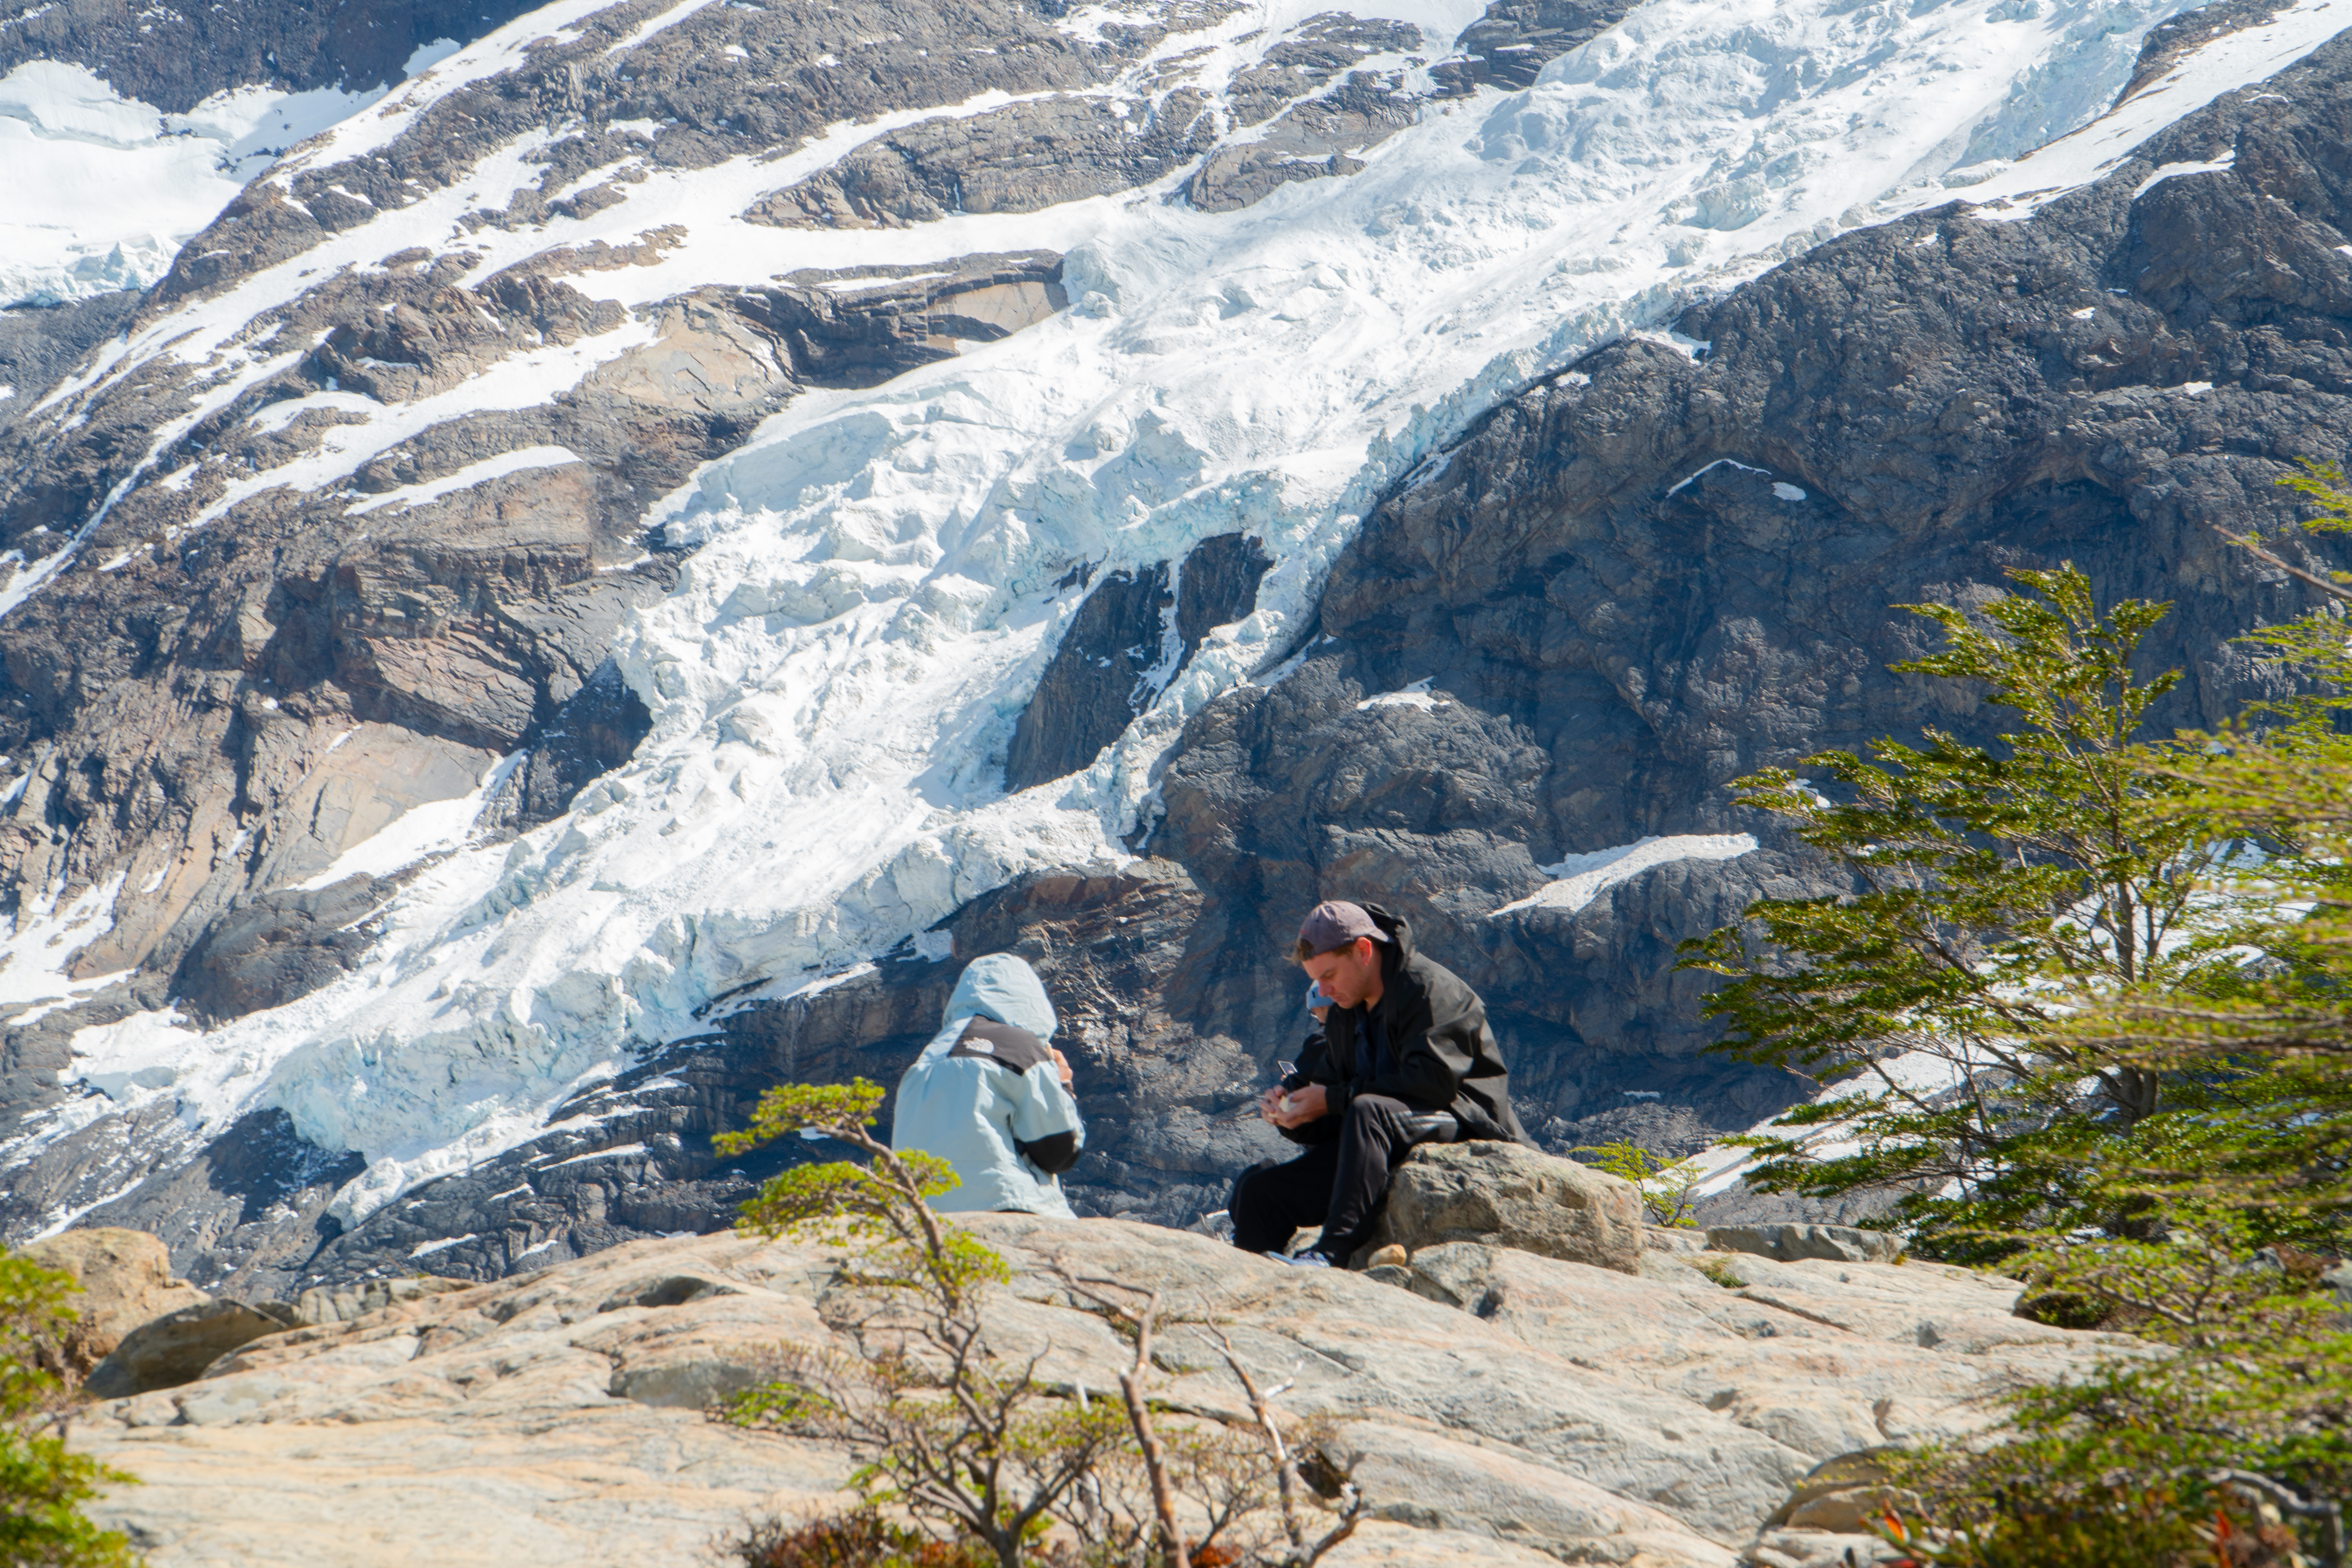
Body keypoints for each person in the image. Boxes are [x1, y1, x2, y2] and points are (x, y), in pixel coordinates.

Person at [1231, 899, 1530, 1268]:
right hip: (1380, 1133)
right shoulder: (1346, 1012)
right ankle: (1248, 1288)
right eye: (1316, 980)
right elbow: (1331, 1097)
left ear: (1363, 951)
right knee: (1262, 1192)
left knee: (1367, 1110)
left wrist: (1334, 1100)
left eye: (1329, 976)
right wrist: (1295, 1111)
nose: (1322, 992)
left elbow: (1433, 1083)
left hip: (1464, 1122)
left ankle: (1330, 1253)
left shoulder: (1431, 990)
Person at [893, 953, 1085, 1217]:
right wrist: (1063, 1084)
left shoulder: (930, 1056)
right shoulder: (1020, 1048)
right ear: (1030, 999)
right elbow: (1060, 1152)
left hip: (923, 1214)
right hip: (1008, 1205)